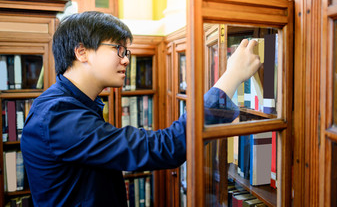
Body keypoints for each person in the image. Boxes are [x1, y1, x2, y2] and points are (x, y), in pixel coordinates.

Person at [20, 11, 261, 206]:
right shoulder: (57, 115)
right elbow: (164, 148)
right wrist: (231, 78)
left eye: (127, 52)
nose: (126, 59)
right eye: (118, 50)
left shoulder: (72, 104)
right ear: (81, 52)